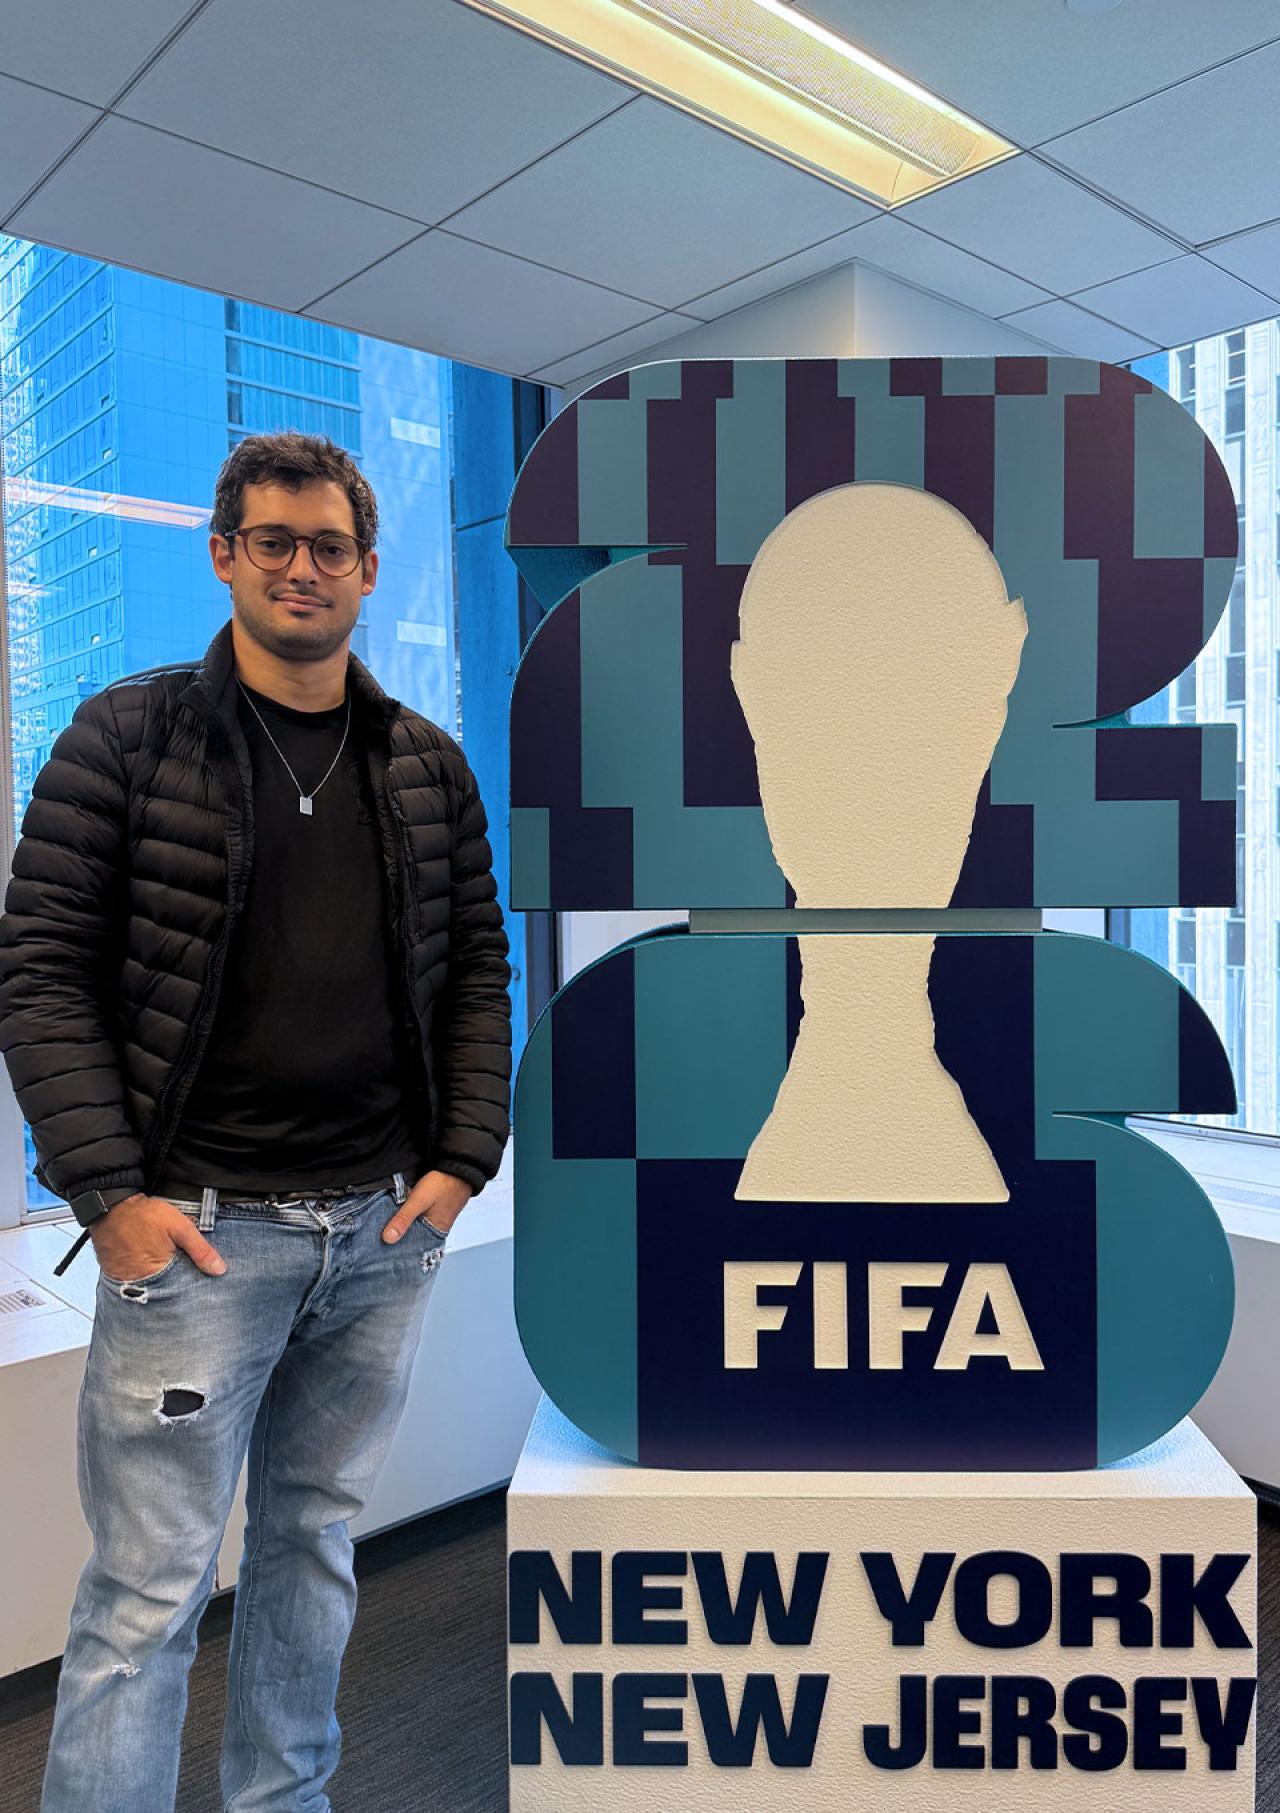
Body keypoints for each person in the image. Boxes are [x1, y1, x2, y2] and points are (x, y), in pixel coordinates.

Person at [0, 430, 512, 1812]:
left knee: (313, 1546)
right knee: (147, 1591)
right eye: (272, 541)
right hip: (196, 1246)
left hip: (380, 1234)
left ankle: (285, 1801)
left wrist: (464, 1158)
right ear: (224, 553)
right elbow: (37, 966)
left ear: (366, 568)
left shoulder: (426, 765)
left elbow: (478, 968)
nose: (301, 566)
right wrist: (107, 1194)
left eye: (327, 545)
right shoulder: (125, 737)